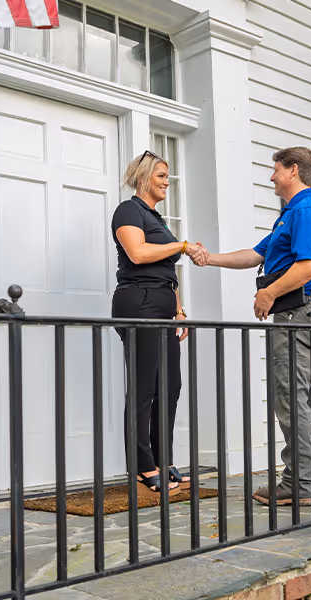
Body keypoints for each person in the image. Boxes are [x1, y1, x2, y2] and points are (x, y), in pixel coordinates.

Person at [190, 147, 311, 506]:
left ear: (293, 171)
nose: (272, 177)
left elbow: (310, 265)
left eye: (276, 170)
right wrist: (208, 258)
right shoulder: (293, 213)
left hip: (299, 313)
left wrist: (269, 296)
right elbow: (256, 254)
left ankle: (299, 482)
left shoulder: (305, 211)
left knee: (290, 395)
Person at [112, 150, 208, 497]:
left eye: (168, 176)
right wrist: (181, 245)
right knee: (144, 388)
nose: (167, 181)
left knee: (170, 385)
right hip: (138, 303)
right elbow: (137, 254)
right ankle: (142, 465)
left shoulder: (157, 219)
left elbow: (168, 271)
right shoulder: (128, 211)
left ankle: (163, 458)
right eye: (162, 176)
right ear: (143, 178)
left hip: (163, 306)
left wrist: (179, 311)